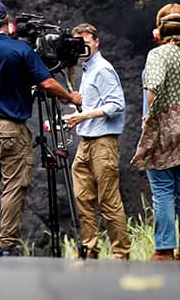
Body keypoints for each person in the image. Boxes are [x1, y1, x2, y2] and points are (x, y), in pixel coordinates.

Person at [0, 0, 82, 252]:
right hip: (11, 127)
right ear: (7, 21)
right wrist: (71, 97)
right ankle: (7, 242)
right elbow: (47, 84)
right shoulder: (21, 51)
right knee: (13, 184)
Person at [131, 3, 180, 263]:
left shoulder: (159, 55)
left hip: (166, 129)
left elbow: (152, 86)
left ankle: (164, 250)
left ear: (159, 31)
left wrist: (150, 117)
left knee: (163, 191)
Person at [63, 23, 131, 260]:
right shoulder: (87, 69)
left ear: (96, 41)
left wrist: (83, 115)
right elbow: (96, 104)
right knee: (83, 198)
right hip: (86, 141)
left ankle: (121, 254)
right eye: (78, 42)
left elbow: (116, 105)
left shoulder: (102, 69)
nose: (82, 46)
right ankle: (90, 250)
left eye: (86, 40)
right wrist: (76, 111)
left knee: (109, 200)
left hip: (104, 142)